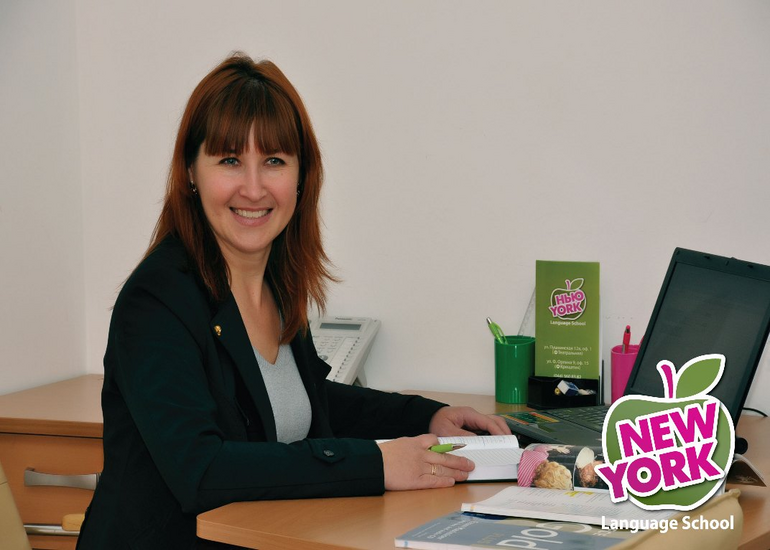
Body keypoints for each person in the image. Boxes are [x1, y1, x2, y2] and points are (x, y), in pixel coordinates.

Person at [76, 52, 511, 549]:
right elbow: (201, 469)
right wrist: (375, 463)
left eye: (274, 161)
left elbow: (304, 403)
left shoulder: (276, 282)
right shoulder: (157, 301)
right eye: (230, 161)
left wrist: (425, 418)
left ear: (302, 177)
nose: (254, 188)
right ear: (191, 171)